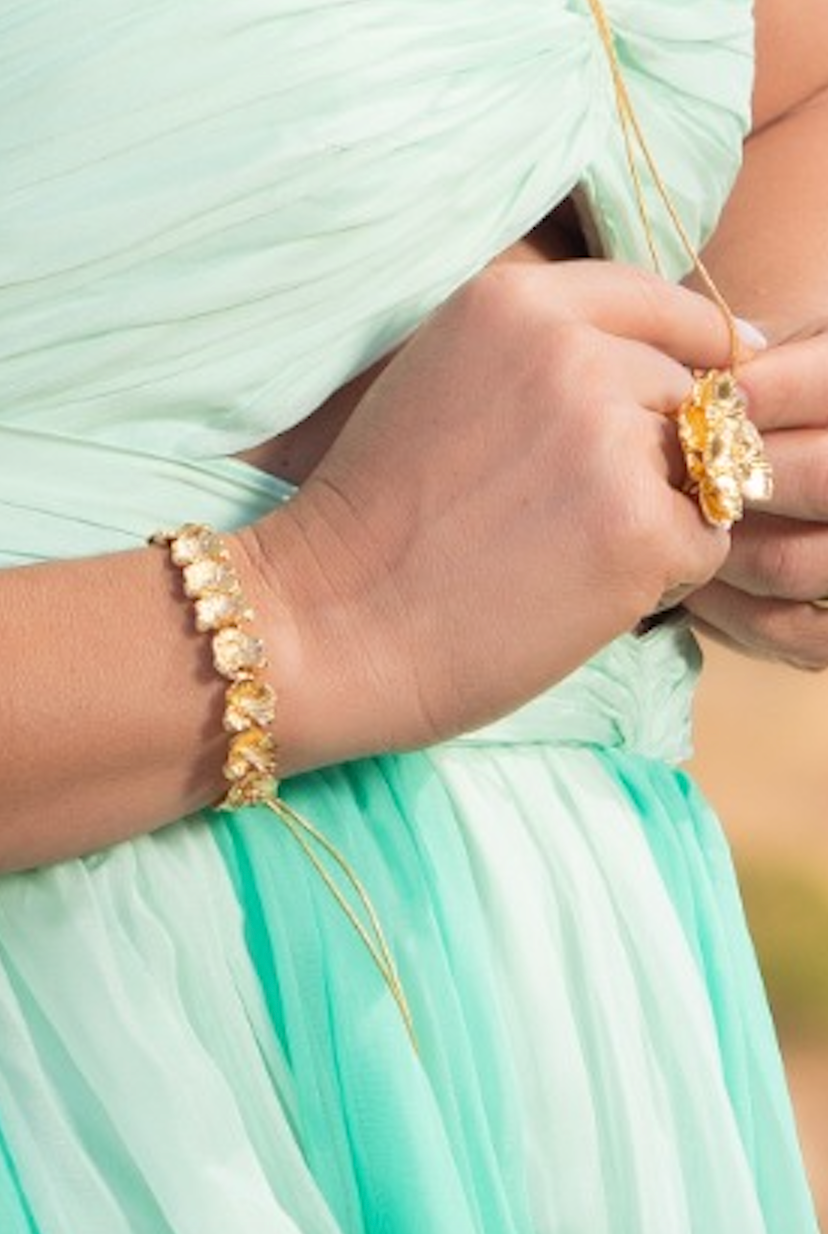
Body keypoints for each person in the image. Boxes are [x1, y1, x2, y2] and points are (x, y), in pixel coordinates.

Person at [0, 0, 825, 1230]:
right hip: (72, 1034)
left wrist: (742, 414)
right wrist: (328, 602)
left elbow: (786, 84)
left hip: (553, 1005)